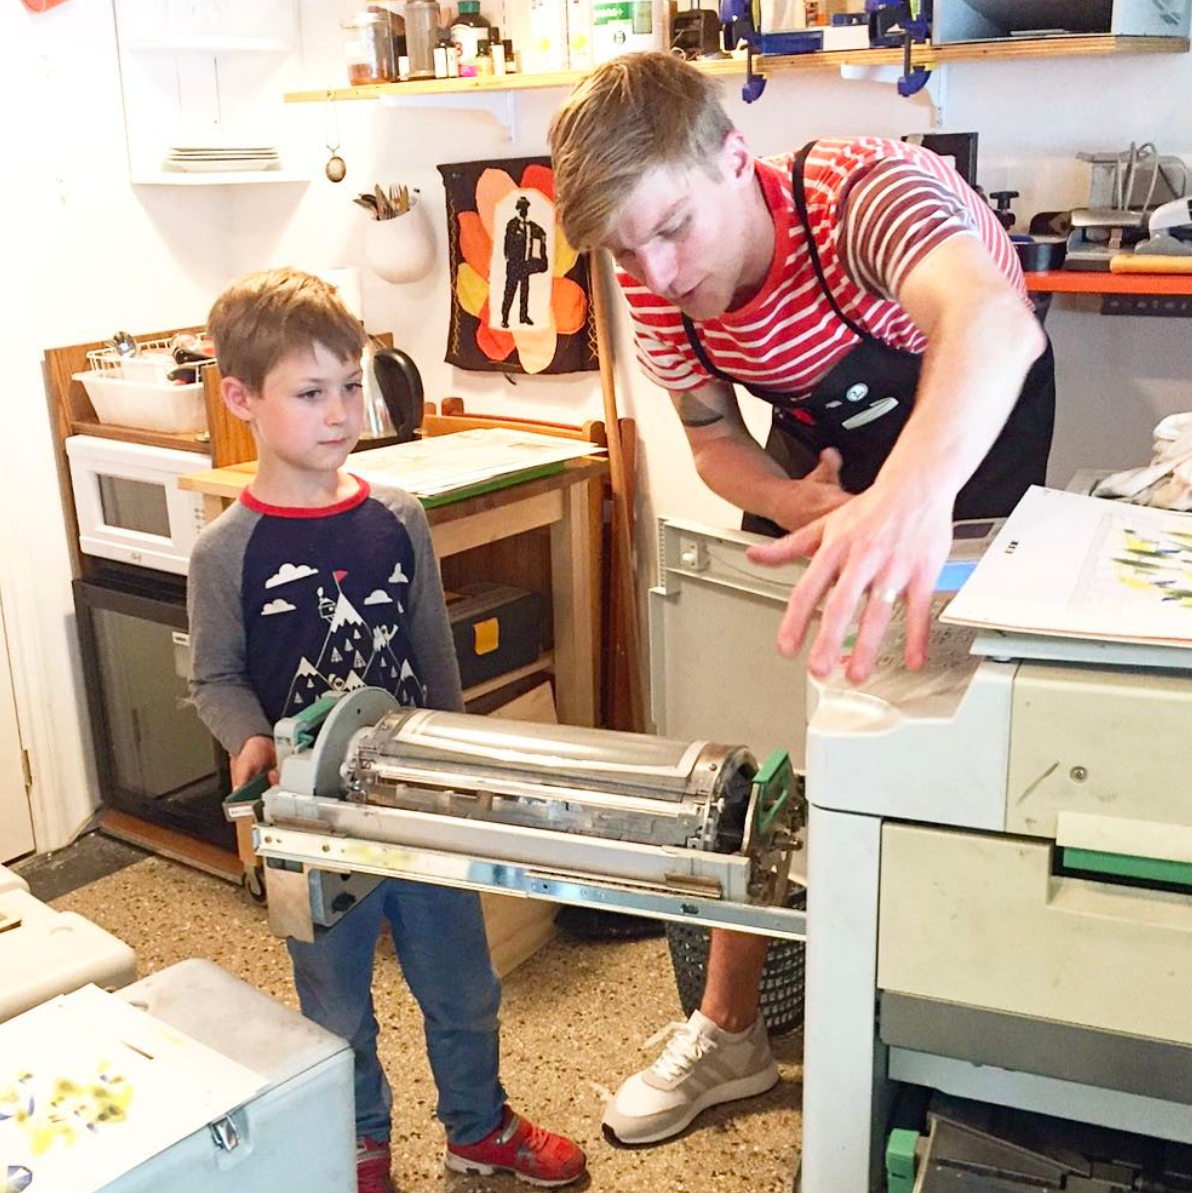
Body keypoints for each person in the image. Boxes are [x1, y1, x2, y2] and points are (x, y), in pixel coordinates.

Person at [548, 53, 1054, 1145]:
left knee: (928, 719)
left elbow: (997, 329)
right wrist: (793, 498)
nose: (658, 269)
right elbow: (715, 444)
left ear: (736, 159)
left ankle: (951, 1027)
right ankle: (731, 1031)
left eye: (674, 227)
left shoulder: (860, 193)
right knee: (792, 719)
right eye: (629, 247)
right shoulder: (649, 273)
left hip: (972, 412)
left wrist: (911, 499)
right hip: (820, 444)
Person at [187, 268, 587, 1193]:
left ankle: (476, 1127)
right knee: (336, 1005)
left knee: (463, 984)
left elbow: (433, 656)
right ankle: (359, 1146)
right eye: (311, 392)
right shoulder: (225, 550)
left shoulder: (397, 516)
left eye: (352, 385)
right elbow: (214, 677)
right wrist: (249, 742)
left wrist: (461, 761)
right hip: (310, 825)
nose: (341, 411)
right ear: (241, 397)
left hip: (417, 806)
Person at [501, 194, 548, 328]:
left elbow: (540, 232)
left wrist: (542, 237)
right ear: (518, 209)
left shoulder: (531, 226)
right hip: (514, 264)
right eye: (522, 208)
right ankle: (505, 317)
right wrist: (508, 258)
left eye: (526, 208)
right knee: (510, 290)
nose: (524, 210)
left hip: (526, 264)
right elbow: (507, 241)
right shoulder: (512, 224)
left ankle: (523, 316)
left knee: (524, 291)